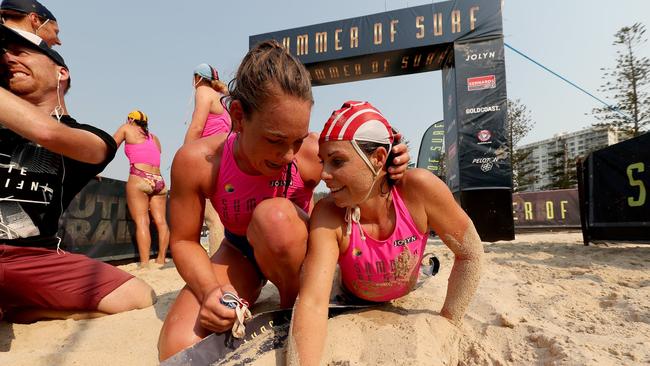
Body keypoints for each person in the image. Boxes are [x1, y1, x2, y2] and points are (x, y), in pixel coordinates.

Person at [157, 41, 411, 360]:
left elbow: (368, 174)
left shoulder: (315, 152)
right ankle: (257, 291)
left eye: (298, 140)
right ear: (238, 116)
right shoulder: (198, 161)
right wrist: (210, 291)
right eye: (275, 140)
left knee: (274, 217)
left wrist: (390, 162)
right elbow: (183, 241)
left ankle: (295, 304)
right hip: (240, 251)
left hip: (298, 245)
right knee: (177, 346)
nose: (289, 154)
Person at [286, 101, 484, 365]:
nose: (324, 174)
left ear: (378, 158)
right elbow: (312, 303)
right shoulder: (328, 213)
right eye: (324, 162)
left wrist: (448, 321)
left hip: (408, 290)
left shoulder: (418, 190)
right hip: (350, 296)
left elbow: (470, 253)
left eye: (337, 161)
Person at [0, 25, 155, 323]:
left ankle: (23, 311)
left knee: (139, 295)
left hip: (35, 257)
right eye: (5, 54)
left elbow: (48, 132)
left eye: (21, 52)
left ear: (61, 73)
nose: (9, 59)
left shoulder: (88, 136)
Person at [183, 63, 231, 256]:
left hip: (209, 161)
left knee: (212, 219)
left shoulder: (203, 91)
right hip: (225, 160)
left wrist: (183, 155)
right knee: (222, 216)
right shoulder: (224, 100)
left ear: (198, 78)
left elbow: (196, 127)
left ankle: (216, 265)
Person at [113, 110, 169, 268]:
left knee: (142, 222)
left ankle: (144, 264)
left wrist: (95, 167)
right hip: (159, 180)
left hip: (140, 177)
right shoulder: (154, 138)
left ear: (131, 119)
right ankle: (161, 259)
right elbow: (156, 154)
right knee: (162, 222)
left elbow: (110, 147)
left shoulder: (126, 128)